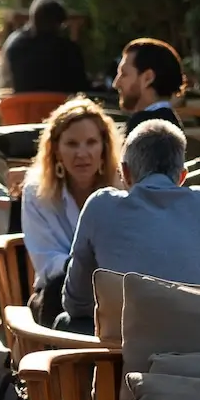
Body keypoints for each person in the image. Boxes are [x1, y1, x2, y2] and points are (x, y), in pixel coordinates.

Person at [61, 118, 200, 330]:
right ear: (182, 176)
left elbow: (76, 302)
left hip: (126, 353)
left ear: (125, 173)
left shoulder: (100, 206)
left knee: (65, 322)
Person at [22, 98, 125, 323]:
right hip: (57, 290)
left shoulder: (122, 188)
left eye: (91, 142)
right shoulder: (36, 193)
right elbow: (47, 262)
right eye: (72, 144)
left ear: (104, 147)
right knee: (57, 290)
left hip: (113, 290)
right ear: (56, 150)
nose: (82, 153)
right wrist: (83, 265)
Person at [0, 0, 88, 96]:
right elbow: (80, 87)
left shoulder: (14, 44)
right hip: (60, 109)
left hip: (22, 109)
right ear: (59, 24)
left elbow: (4, 84)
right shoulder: (69, 49)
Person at [112, 37, 186, 132]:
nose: (116, 84)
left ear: (148, 78)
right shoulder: (171, 125)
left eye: (124, 74)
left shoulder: (143, 129)